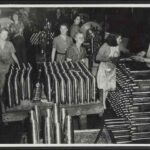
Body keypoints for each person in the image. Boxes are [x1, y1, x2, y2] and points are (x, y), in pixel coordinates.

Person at [96, 33, 122, 110]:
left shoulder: (117, 46)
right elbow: (97, 58)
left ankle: (103, 102)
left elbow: (118, 55)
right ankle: (102, 103)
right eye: (119, 39)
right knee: (103, 87)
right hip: (104, 68)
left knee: (107, 87)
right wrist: (109, 59)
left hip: (112, 68)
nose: (120, 40)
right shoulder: (105, 46)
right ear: (114, 39)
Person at [0, 27, 19, 96]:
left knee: (4, 83)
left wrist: (18, 63)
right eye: (3, 34)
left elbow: (13, 55)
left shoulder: (9, 44)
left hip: (9, 65)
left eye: (6, 34)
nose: (5, 36)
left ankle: (3, 97)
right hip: (0, 65)